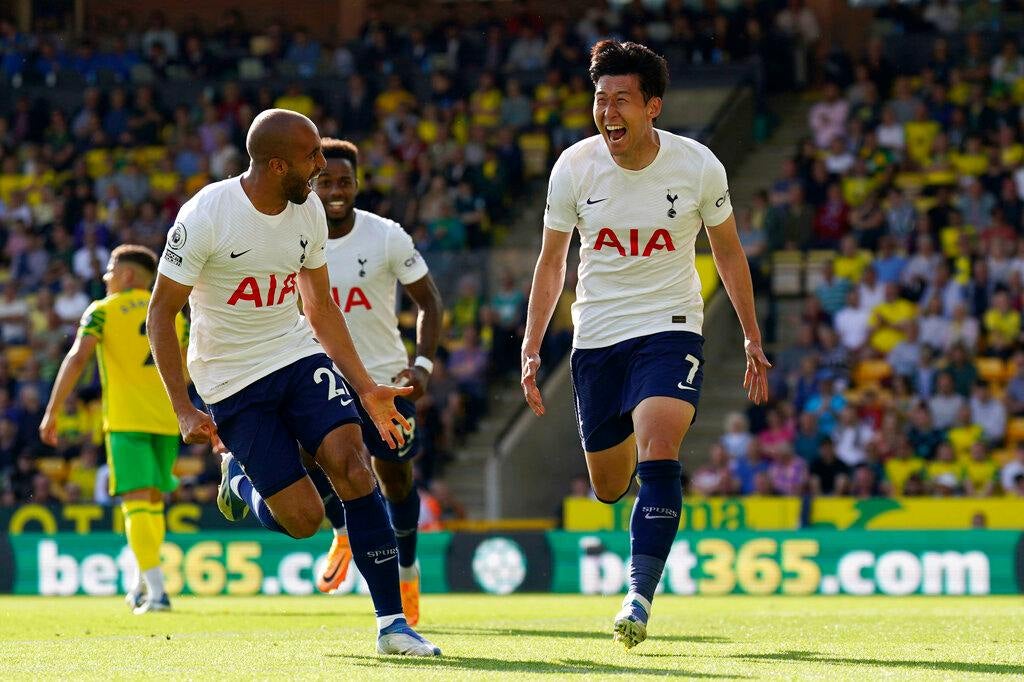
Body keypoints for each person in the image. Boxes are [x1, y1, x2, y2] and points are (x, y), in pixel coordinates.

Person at [146, 109, 440, 656]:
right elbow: (160, 314)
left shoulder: (306, 212)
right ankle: (240, 481)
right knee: (303, 521)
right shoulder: (207, 214)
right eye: (312, 158)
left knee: (354, 466)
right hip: (231, 376)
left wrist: (367, 389)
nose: (322, 168)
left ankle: (393, 625)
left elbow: (321, 305)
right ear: (277, 164)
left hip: (295, 351)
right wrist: (183, 406)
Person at [520, 41, 769, 650]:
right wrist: (531, 345)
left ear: (652, 106)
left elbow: (729, 252)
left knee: (660, 447)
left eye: (621, 100)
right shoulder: (573, 168)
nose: (607, 112)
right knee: (608, 485)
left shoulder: (698, 166)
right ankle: (634, 476)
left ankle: (638, 595)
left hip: (670, 324)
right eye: (600, 99)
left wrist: (750, 337)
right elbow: (553, 263)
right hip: (597, 336)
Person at [306, 138, 442, 627]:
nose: (335, 191)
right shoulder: (293, 236)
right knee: (310, 465)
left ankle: (407, 569)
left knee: (395, 479)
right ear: (311, 184)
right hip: (320, 380)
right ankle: (342, 527)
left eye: (344, 181)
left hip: (384, 381)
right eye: (325, 182)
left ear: (357, 184)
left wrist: (422, 366)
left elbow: (429, 301)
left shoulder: (386, 236)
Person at [39, 245, 187, 614]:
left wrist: (53, 410)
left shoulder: (102, 311)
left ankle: (158, 594)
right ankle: (141, 582)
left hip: (127, 421)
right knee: (152, 506)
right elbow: (187, 370)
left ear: (128, 275)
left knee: (136, 506)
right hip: (168, 421)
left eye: (110, 270)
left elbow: (77, 358)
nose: (105, 277)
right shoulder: (174, 314)